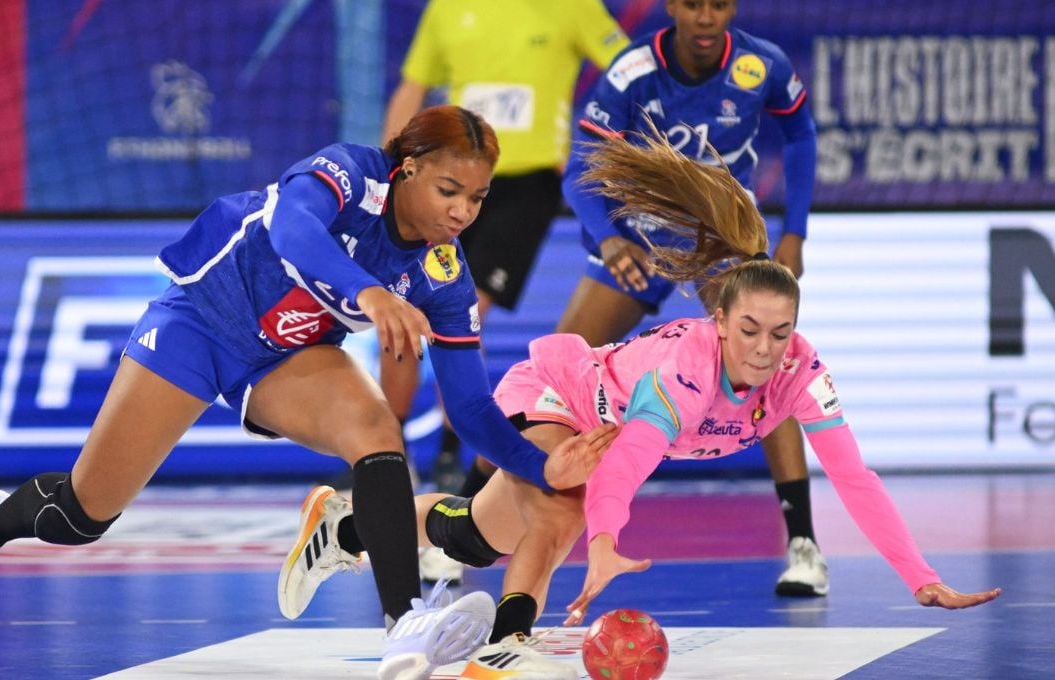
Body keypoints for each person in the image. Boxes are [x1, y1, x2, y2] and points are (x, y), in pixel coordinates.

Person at [0, 105, 616, 680]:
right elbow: (293, 232)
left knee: (377, 429)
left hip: (286, 355)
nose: (463, 211)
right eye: (448, 191)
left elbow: (469, 408)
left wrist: (541, 466)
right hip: (201, 322)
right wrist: (369, 292)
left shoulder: (442, 272)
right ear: (407, 170)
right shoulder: (350, 171)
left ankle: (404, 622)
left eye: (478, 197)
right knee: (82, 515)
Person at [289, 125, 1002, 679]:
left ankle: (345, 530)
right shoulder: (685, 373)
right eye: (748, 330)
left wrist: (922, 578)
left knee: (478, 536)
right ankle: (506, 645)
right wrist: (603, 545)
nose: (763, 348)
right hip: (558, 390)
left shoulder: (801, 375)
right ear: (719, 323)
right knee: (560, 498)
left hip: (597, 421)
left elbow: (854, 478)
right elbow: (629, 460)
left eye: (780, 334)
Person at [558, 0, 829, 597]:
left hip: (724, 244)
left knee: (768, 371)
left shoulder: (764, 65)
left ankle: (804, 545)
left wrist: (795, 232)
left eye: (719, 5)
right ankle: (467, 522)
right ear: (671, 7)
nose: (706, 18)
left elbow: (802, 136)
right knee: (559, 372)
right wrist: (609, 242)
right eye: (692, 5)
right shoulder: (633, 71)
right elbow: (577, 172)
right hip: (640, 242)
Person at [378, 2, 628, 551]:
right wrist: (388, 172)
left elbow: (631, 71)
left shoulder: (575, 8)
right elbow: (411, 89)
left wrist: (592, 148)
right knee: (395, 317)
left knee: (460, 310)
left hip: (524, 184)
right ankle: (383, 454)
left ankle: (450, 450)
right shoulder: (447, 9)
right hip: (445, 179)